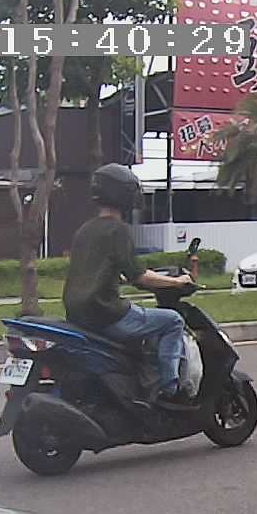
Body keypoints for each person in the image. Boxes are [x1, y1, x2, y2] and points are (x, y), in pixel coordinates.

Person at [64, 164, 195, 404]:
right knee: (173, 321)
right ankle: (171, 389)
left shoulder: (85, 230)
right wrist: (177, 282)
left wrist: (119, 278)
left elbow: (98, 268)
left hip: (79, 314)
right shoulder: (118, 230)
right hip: (107, 313)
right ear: (124, 195)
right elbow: (140, 277)